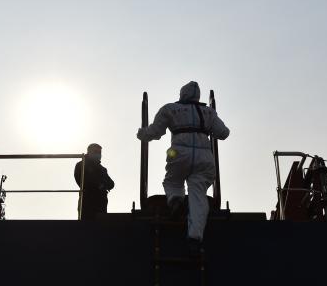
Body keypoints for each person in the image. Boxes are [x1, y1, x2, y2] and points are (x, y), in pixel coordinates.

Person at [137, 81, 230, 252]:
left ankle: (175, 201)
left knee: (173, 181)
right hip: (205, 157)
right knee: (198, 195)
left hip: (178, 153)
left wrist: (142, 134)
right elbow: (223, 133)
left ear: (182, 94)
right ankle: (195, 238)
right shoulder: (209, 111)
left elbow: (154, 132)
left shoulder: (170, 108)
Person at [74, 143, 115, 220]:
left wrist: (102, 184)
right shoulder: (81, 165)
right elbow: (80, 180)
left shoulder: (102, 169)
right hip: (87, 202)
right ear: (89, 152)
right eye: (96, 152)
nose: (98, 154)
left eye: (99, 153)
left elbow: (111, 184)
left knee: (100, 228)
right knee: (86, 228)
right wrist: (98, 184)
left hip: (101, 203)